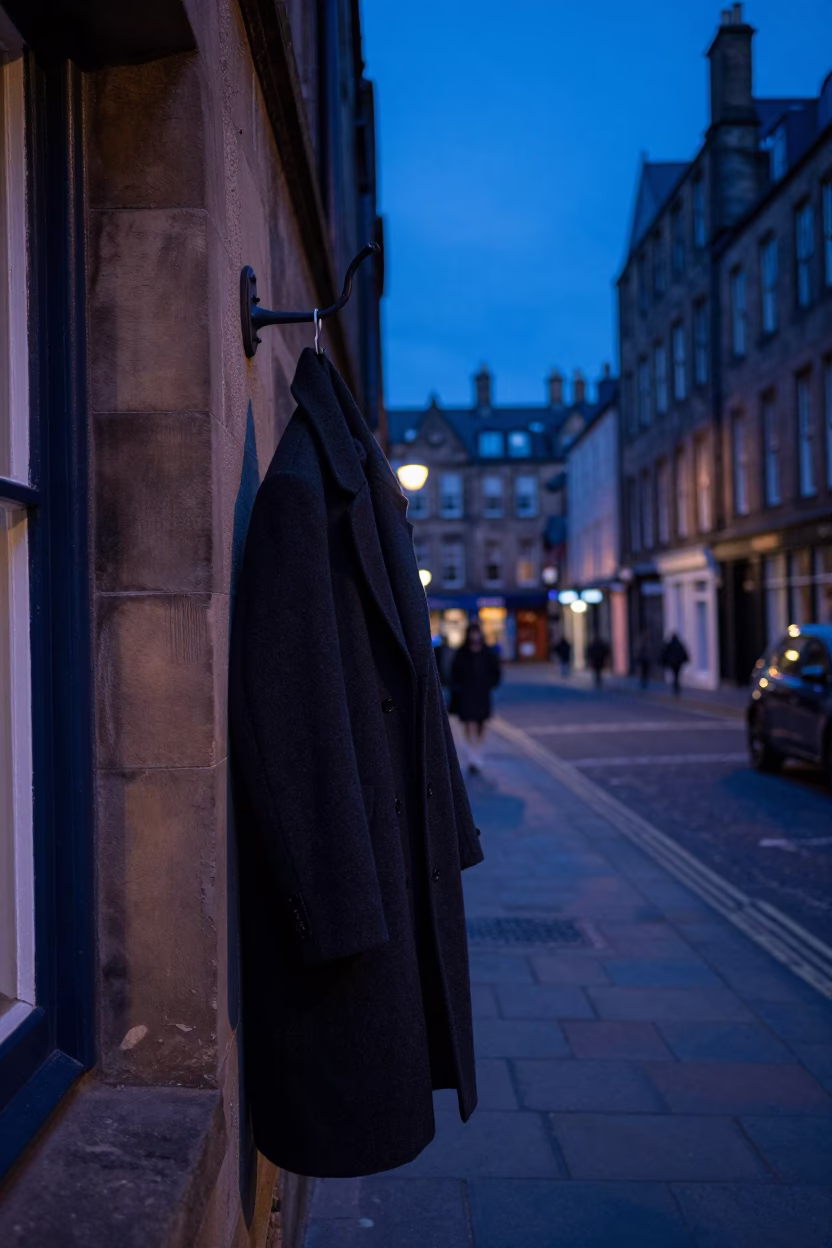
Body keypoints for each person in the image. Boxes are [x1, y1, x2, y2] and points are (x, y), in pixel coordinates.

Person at [450, 620, 501, 773]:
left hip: (482, 694)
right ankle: (473, 755)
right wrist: (459, 687)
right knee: (469, 723)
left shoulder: (487, 652)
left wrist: (490, 683)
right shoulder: (462, 653)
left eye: (477, 632)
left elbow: (495, 672)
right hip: (467, 694)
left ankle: (477, 752)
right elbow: (454, 673)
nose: (475, 636)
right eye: (472, 632)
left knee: (481, 724)